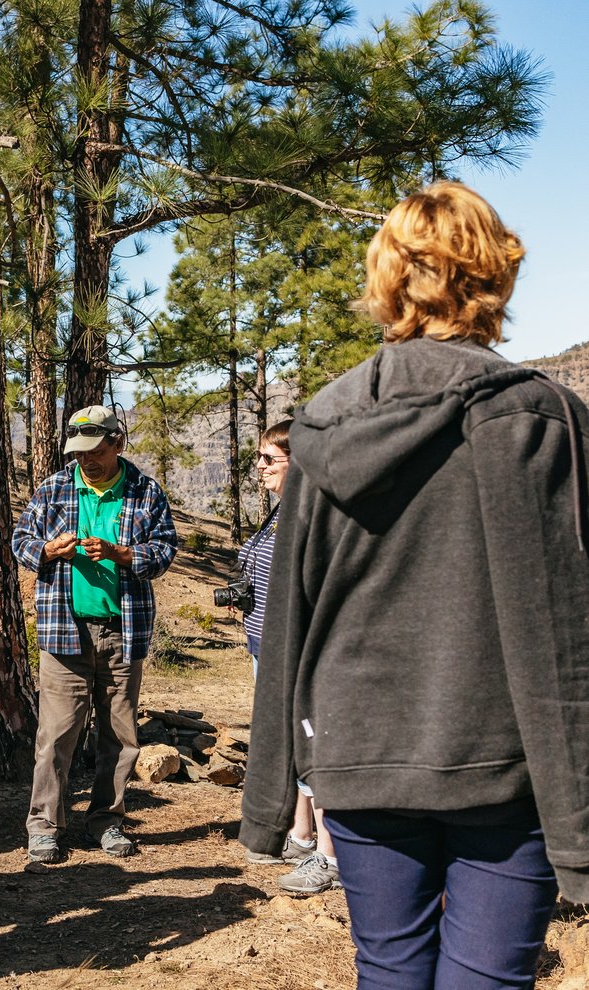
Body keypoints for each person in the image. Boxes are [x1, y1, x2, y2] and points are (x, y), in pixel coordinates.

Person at [242, 182, 589, 990]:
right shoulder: (544, 421)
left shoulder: (324, 424)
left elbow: (286, 614)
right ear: (495, 272)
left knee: (390, 970)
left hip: (360, 755)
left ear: (387, 279)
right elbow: (568, 627)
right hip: (505, 764)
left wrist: (268, 796)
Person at [12, 405, 178, 863]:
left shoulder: (145, 491)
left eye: (95, 451)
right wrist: (46, 549)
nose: (86, 459)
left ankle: (107, 821)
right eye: (79, 451)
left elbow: (165, 550)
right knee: (56, 734)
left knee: (120, 735)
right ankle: (44, 826)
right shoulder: (55, 487)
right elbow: (21, 540)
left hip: (123, 631)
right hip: (64, 631)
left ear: (117, 443)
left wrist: (122, 555)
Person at [237, 421, 339, 894]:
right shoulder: (282, 512)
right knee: (294, 746)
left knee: (314, 746)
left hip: (301, 653)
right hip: (269, 646)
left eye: (268, 459)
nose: (258, 468)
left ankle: (331, 856)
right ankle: (301, 835)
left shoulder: (314, 515)